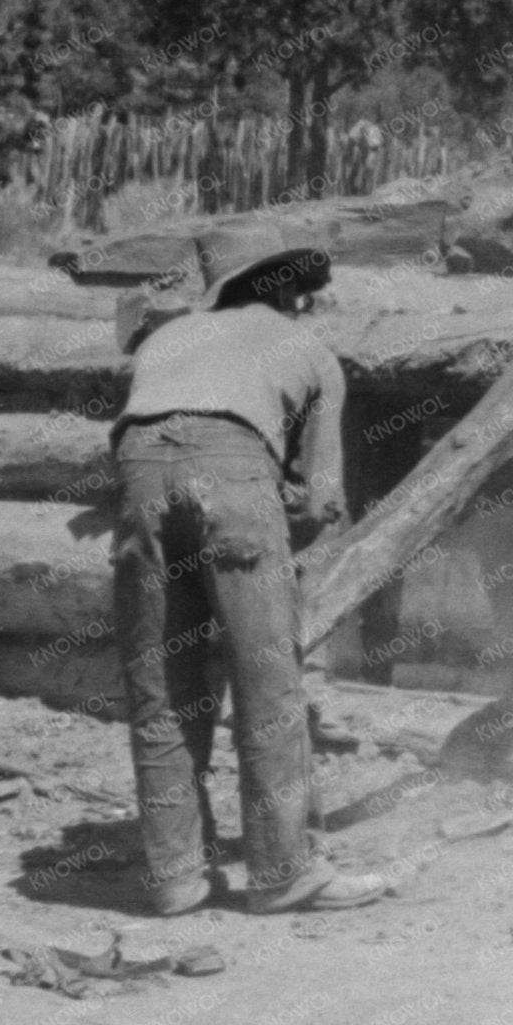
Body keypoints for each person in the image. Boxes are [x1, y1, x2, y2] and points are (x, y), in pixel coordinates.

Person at [111, 216, 389, 916]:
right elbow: (321, 499)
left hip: (140, 479)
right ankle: (280, 872)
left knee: (162, 681)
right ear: (292, 290)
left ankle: (174, 875)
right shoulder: (308, 349)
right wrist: (266, 553)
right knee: (266, 682)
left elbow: (141, 439)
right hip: (234, 477)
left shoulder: (165, 336)